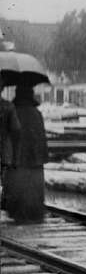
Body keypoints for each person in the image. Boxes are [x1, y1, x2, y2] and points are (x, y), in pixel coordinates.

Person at [6, 79, 46, 223]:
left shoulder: (13, 111)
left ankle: (18, 213)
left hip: (17, 156)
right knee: (34, 186)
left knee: (18, 184)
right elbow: (42, 138)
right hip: (35, 158)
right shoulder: (36, 113)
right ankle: (35, 213)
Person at [0, 85, 21, 214]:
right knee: (6, 181)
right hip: (4, 150)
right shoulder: (8, 106)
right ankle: (4, 208)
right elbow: (16, 129)